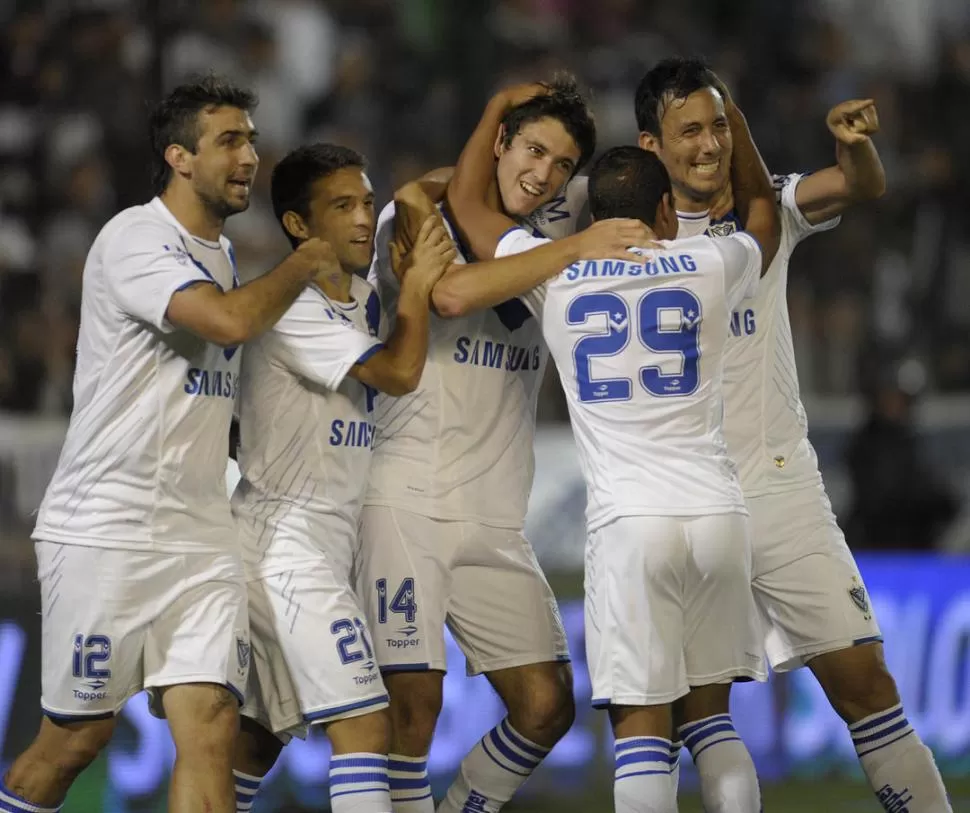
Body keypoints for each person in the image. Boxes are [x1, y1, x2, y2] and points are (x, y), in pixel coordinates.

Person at [1, 76, 336, 813]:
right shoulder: (135, 239)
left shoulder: (218, 256)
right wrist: (307, 261)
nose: (250, 154)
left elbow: (204, 386)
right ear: (179, 156)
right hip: (108, 528)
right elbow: (224, 324)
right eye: (229, 140)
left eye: (250, 138)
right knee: (73, 743)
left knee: (213, 725)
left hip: (199, 534)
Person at [445, 86, 781, 813]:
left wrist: (494, 108)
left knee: (641, 732)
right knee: (713, 721)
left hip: (630, 524)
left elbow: (470, 209)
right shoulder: (711, 264)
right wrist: (734, 128)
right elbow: (763, 217)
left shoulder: (556, 270)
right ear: (666, 211)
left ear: (594, 213)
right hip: (719, 514)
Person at [632, 58, 952, 812]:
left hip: (780, 486)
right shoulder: (618, 238)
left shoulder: (765, 207)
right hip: (688, 499)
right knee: (699, 713)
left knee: (867, 686)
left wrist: (854, 145)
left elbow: (860, 185)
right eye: (690, 130)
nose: (709, 144)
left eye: (718, 125)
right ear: (651, 146)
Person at [357, 77, 654, 813]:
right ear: (499, 143)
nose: (544, 173)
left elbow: (638, 192)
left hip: (494, 513)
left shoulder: (560, 215)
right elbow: (453, 291)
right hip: (406, 496)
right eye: (531, 149)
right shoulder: (415, 212)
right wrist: (577, 247)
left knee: (546, 703)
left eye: (561, 162)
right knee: (413, 709)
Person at [226, 143, 455, 813]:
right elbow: (397, 373)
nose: (362, 219)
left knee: (256, 743)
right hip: (284, 549)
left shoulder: (358, 294)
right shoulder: (294, 308)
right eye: (342, 206)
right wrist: (414, 286)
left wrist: (443, 182)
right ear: (300, 226)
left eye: (366, 202)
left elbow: (439, 190)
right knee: (363, 724)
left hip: (321, 545)